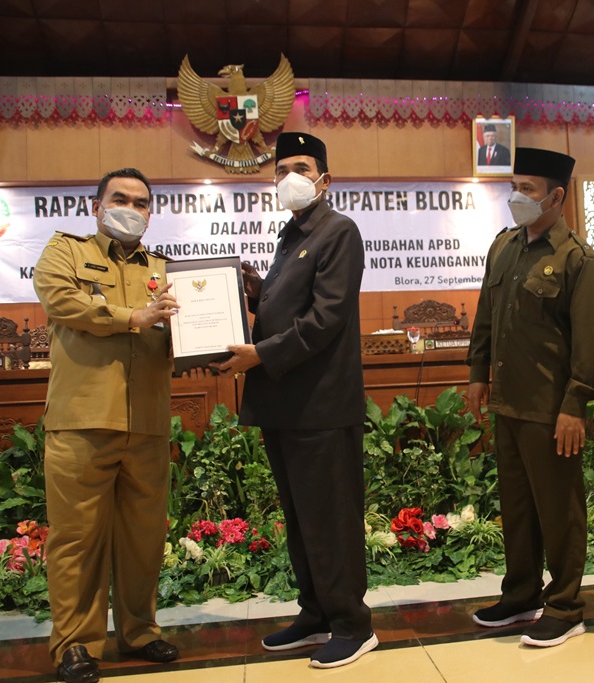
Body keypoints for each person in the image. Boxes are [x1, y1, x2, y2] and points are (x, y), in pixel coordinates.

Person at [214, 132, 376, 669]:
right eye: (281, 168)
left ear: (325, 179)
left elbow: (325, 320)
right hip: (287, 405)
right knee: (302, 518)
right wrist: (257, 291)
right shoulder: (293, 234)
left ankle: (353, 624)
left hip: (323, 406)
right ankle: (316, 613)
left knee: (331, 518)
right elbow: (291, 304)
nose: (289, 177)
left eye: (301, 167)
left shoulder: (339, 231)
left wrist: (258, 354)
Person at [33, 168, 180, 683]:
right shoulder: (65, 253)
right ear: (96, 207)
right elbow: (62, 302)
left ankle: (140, 631)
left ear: (150, 213)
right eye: (120, 198)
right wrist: (132, 317)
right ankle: (75, 644)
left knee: (144, 539)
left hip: (147, 424)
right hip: (82, 422)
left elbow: (182, 333)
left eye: (141, 203)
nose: (131, 208)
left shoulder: (164, 268)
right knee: (77, 540)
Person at [467, 147, 594, 648]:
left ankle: (565, 606)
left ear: (556, 196)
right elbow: (487, 315)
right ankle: (521, 593)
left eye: (527, 189)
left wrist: (576, 406)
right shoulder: (503, 247)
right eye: (515, 186)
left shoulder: (576, 260)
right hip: (508, 403)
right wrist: (477, 373)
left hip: (551, 410)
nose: (516, 196)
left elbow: (589, 346)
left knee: (559, 509)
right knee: (518, 506)